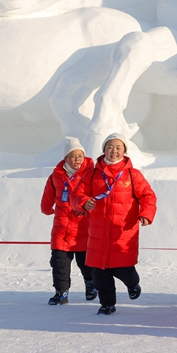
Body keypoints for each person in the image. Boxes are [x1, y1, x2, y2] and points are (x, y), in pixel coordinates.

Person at [72, 133, 157, 316]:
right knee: (99, 273)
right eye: (110, 147)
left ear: (124, 151)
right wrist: (84, 202)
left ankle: (133, 284)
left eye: (118, 147)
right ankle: (107, 305)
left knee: (124, 269)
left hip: (123, 231)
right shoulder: (92, 174)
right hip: (98, 232)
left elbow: (148, 196)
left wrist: (146, 213)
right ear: (104, 150)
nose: (114, 151)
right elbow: (77, 194)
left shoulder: (133, 174)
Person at [41, 137, 96, 305]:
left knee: (86, 262)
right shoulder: (56, 176)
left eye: (80, 156)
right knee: (59, 263)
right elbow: (48, 195)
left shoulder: (92, 174)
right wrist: (46, 208)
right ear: (65, 158)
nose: (77, 160)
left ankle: (90, 284)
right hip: (62, 227)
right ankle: (61, 292)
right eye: (73, 156)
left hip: (84, 226)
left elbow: (99, 196)